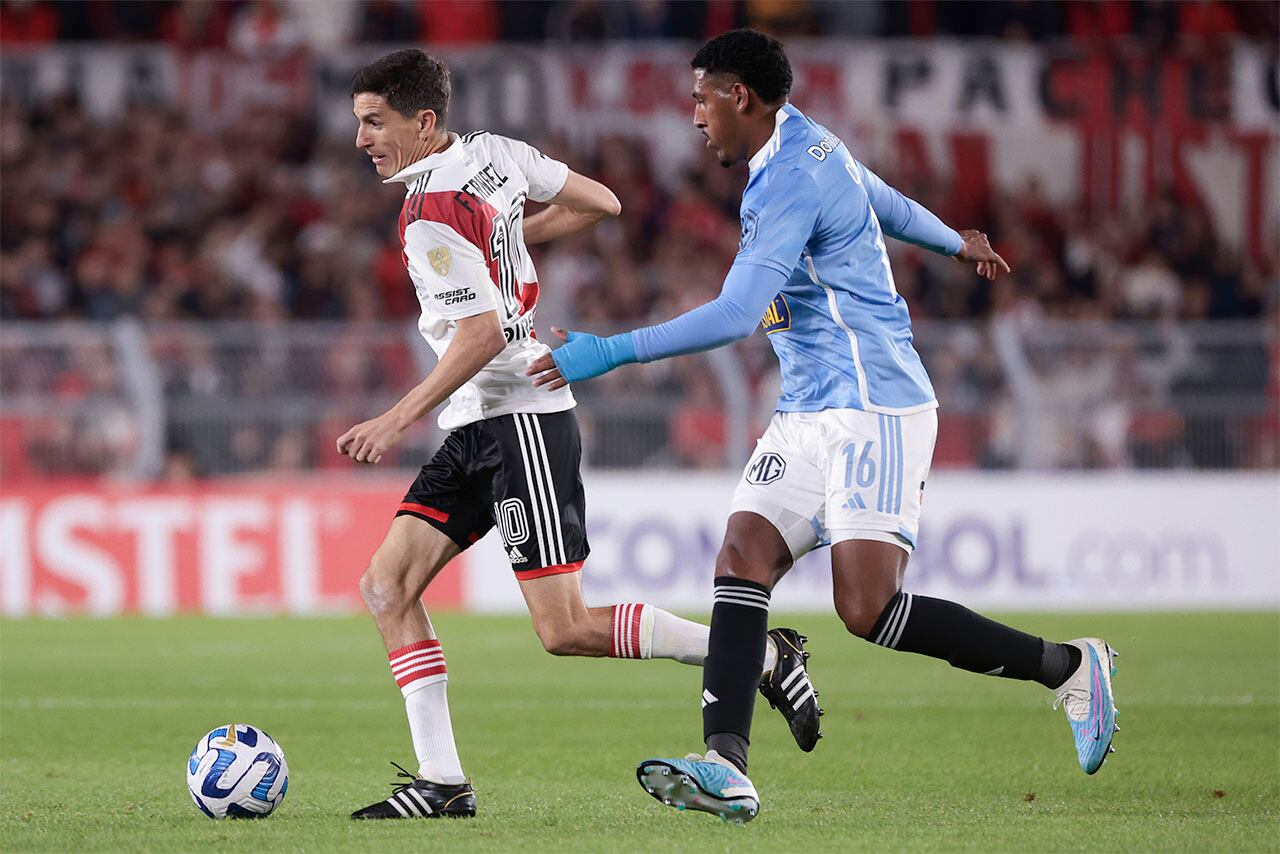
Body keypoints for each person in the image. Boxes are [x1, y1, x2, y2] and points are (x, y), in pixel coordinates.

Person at [529, 29, 1118, 824]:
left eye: (702, 99)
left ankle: (1071, 667)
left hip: (875, 406)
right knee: (741, 557)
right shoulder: (805, 146)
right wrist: (955, 242)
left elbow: (738, 315)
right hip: (807, 404)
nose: (694, 117)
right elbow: (881, 197)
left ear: (740, 96)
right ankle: (724, 766)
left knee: (868, 611)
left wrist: (609, 351)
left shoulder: (786, 186)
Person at [340, 48, 822, 821]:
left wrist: (397, 416)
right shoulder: (493, 155)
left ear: (424, 122)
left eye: (374, 122)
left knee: (563, 631)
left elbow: (483, 334)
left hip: (519, 418)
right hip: (479, 423)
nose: (360, 138)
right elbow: (602, 201)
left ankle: (761, 654)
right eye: (359, 122)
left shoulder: (428, 214)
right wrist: (511, 236)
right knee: (386, 587)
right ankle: (442, 781)